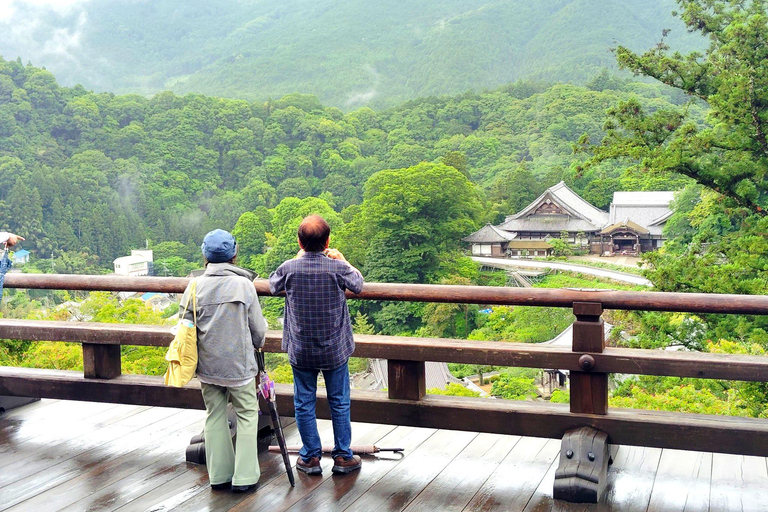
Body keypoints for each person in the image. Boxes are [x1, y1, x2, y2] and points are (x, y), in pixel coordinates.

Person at [269, 215, 364, 475]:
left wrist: (298, 259)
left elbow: (273, 285)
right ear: (328, 242)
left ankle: (310, 456)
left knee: (304, 402)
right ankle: (343, 456)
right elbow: (358, 285)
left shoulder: (289, 267)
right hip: (334, 347)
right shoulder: (338, 268)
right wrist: (343, 259)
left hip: (301, 348)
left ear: (299, 242)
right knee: (340, 401)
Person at [180, 229, 267, 493]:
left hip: (207, 367)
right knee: (248, 415)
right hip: (239, 367)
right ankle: (244, 477)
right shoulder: (244, 285)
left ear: (205, 256)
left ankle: (219, 476)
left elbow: (184, 325)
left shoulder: (194, 286)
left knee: (214, 416)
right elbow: (259, 330)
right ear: (234, 255)